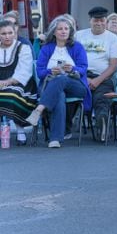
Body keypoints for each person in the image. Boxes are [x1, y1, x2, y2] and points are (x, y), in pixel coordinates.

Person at [26, 16, 90, 148]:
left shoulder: (77, 47)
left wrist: (72, 69)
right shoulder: (47, 48)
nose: (63, 31)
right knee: (59, 95)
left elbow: (83, 68)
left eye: (66, 29)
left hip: (76, 85)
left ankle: (39, 109)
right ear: (54, 32)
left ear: (70, 31)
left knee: (62, 78)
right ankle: (55, 139)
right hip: (53, 86)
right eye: (60, 29)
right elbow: (40, 72)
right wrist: (51, 72)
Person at [75, 6, 117, 142]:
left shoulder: (113, 39)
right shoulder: (79, 35)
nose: (99, 23)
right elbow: (73, 59)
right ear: (90, 21)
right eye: (96, 20)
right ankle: (66, 127)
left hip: (104, 77)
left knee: (102, 96)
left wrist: (97, 80)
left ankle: (102, 124)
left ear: (106, 21)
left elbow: (114, 66)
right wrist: (86, 78)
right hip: (81, 75)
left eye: (102, 20)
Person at [0, 19, 36, 145]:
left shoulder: (23, 48)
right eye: (3, 33)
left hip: (21, 85)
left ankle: (20, 130)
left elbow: (24, 72)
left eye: (10, 33)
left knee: (11, 96)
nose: (7, 36)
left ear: (14, 33)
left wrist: (6, 82)